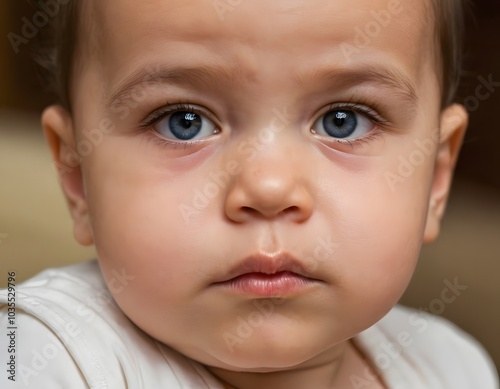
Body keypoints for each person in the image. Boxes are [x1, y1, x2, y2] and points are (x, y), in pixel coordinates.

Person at [1, 0, 498, 387]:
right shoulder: (42, 353)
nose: (268, 188)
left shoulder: (451, 367)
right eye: (184, 122)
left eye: (342, 121)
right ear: (76, 175)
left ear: (435, 176)